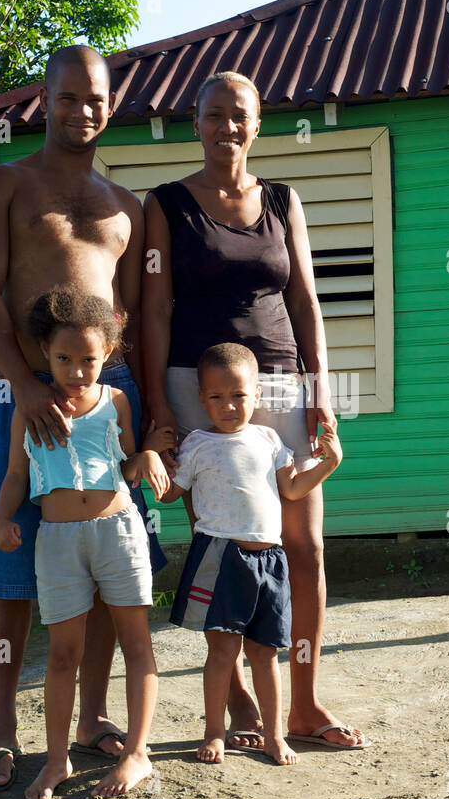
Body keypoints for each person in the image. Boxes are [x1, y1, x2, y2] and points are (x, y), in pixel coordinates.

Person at [0, 43, 171, 792]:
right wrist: (22, 382)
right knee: (11, 564)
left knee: (114, 559)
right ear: (42, 102)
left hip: (110, 393)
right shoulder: (3, 186)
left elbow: (144, 317)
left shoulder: (129, 208)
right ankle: (1, 727)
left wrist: (152, 423)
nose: (83, 109)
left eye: (97, 98)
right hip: (22, 391)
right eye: (69, 97)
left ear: (111, 106)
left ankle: (92, 719)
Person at [142, 70, 368, 750]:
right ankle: (238, 692)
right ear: (196, 123)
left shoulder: (282, 200)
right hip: (195, 386)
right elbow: (153, 308)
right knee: (219, 545)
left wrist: (321, 393)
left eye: (239, 115)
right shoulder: (166, 205)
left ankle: (302, 702)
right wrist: (159, 404)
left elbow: (305, 301)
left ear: (257, 124)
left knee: (302, 545)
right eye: (214, 115)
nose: (226, 128)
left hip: (279, 385)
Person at [0, 291, 168, 799]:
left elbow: (129, 463)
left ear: (108, 354)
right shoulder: (29, 410)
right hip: (58, 542)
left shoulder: (115, 401)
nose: (76, 370)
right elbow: (14, 475)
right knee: (62, 655)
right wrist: (3, 518)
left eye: (89, 359)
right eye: (64, 359)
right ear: (45, 353)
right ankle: (56, 760)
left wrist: (150, 459)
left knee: (137, 643)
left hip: (119, 531)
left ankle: (137, 752)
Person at [160, 344, 342, 765]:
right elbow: (171, 494)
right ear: (202, 400)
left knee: (265, 654)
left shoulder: (270, 439)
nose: (229, 406)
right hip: (219, 558)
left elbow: (293, 489)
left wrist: (330, 463)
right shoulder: (197, 445)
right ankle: (214, 733)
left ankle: (276, 735)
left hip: (270, 562)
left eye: (239, 395)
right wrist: (153, 456)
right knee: (221, 651)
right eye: (217, 397)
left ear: (257, 395)